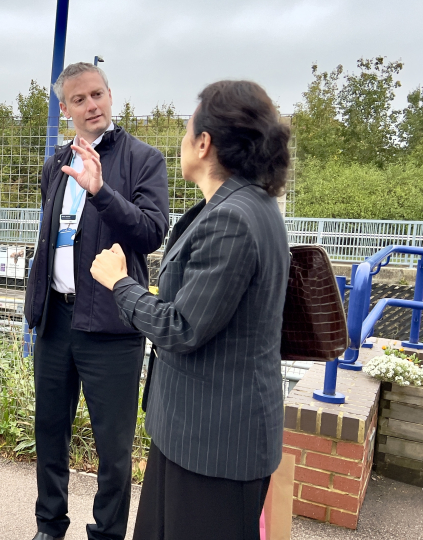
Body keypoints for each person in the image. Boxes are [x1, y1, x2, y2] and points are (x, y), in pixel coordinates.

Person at [90, 80, 291, 540]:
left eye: (186, 131)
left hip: (217, 444)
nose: (181, 141)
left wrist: (119, 283)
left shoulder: (234, 218)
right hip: (192, 433)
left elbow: (181, 327)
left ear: (204, 143)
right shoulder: (233, 206)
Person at [24, 62, 169, 540]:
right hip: (57, 320)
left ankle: (106, 533)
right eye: (80, 100)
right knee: (50, 432)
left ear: (111, 95)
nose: (92, 106)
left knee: (114, 448)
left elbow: (150, 233)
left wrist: (102, 192)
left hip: (112, 326)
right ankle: (50, 525)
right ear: (64, 109)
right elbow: (54, 241)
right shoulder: (55, 164)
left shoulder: (143, 160)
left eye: (98, 95)